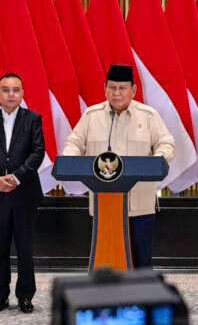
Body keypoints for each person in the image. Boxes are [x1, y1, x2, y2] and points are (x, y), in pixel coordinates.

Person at [63, 64, 175, 268]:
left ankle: (141, 300)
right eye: (112, 88)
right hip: (104, 203)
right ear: (105, 88)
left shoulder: (148, 116)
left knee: (141, 262)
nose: (117, 93)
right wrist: (72, 160)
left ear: (133, 90)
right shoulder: (91, 115)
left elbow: (166, 143)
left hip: (139, 205)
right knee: (105, 260)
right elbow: (73, 143)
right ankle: (104, 299)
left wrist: (156, 160)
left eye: (122, 88)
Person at [0, 73, 44, 314]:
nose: (11, 94)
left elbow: (38, 153)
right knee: (0, 245)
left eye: (16, 90)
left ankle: (25, 296)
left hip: (24, 191)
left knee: (24, 246)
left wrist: (15, 177)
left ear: (23, 93)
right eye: (6, 90)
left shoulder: (33, 119)